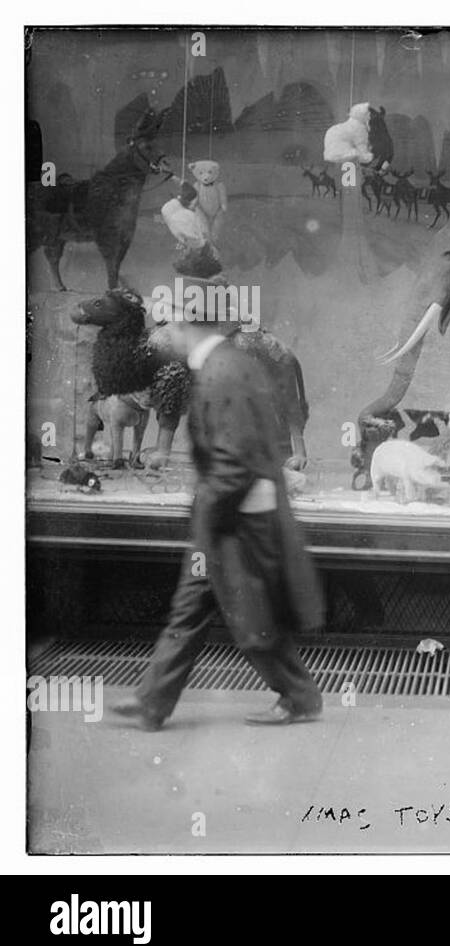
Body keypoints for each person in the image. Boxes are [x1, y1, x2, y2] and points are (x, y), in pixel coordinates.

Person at [112, 282, 324, 730]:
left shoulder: (221, 371)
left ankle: (300, 696)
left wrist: (207, 517)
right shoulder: (222, 364)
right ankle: (152, 702)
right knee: (193, 609)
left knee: (249, 615)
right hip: (232, 514)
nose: (162, 331)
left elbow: (233, 458)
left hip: (238, 520)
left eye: (169, 323)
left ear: (188, 326)